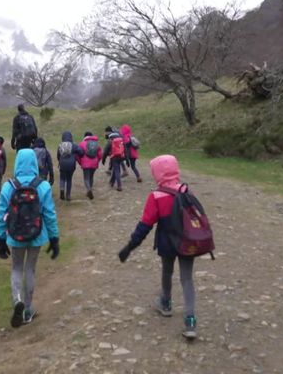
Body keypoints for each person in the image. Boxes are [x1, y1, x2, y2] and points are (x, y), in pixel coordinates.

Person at [117, 155, 198, 340]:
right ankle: (190, 321)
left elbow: (145, 226)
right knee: (187, 279)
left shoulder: (156, 196)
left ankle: (166, 304)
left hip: (167, 243)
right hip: (187, 242)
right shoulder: (186, 190)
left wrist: (130, 247)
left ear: (158, 173)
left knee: (167, 272)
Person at [0, 149, 60, 328]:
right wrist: (54, 238)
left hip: (15, 236)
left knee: (16, 268)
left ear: (17, 163)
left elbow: (1, 214)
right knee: (30, 269)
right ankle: (28, 309)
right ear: (34, 162)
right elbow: (50, 214)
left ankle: (17, 301)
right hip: (37, 235)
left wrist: (0, 239)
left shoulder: (9, 186)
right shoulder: (43, 186)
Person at [57, 131, 83, 201]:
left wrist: (60, 161)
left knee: (62, 178)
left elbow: (58, 155)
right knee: (69, 179)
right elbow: (81, 152)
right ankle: (68, 195)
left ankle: (62, 189)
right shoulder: (74, 145)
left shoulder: (60, 145)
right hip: (71, 164)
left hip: (62, 164)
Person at [77, 131, 103, 199]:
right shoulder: (96, 144)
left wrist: (80, 162)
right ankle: (90, 190)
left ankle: (89, 190)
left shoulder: (81, 143)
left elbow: (77, 155)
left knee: (86, 178)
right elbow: (100, 155)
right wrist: (97, 161)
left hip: (85, 164)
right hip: (94, 163)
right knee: (91, 177)